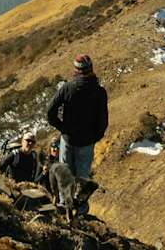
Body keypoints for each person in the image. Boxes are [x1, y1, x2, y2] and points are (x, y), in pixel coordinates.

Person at [45, 54, 107, 213]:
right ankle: (80, 210)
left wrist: (63, 128)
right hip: (86, 143)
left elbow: (50, 112)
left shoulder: (67, 88)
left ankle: (63, 205)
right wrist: (94, 138)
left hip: (68, 139)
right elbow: (103, 122)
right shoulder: (99, 92)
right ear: (91, 69)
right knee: (82, 178)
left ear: (76, 70)